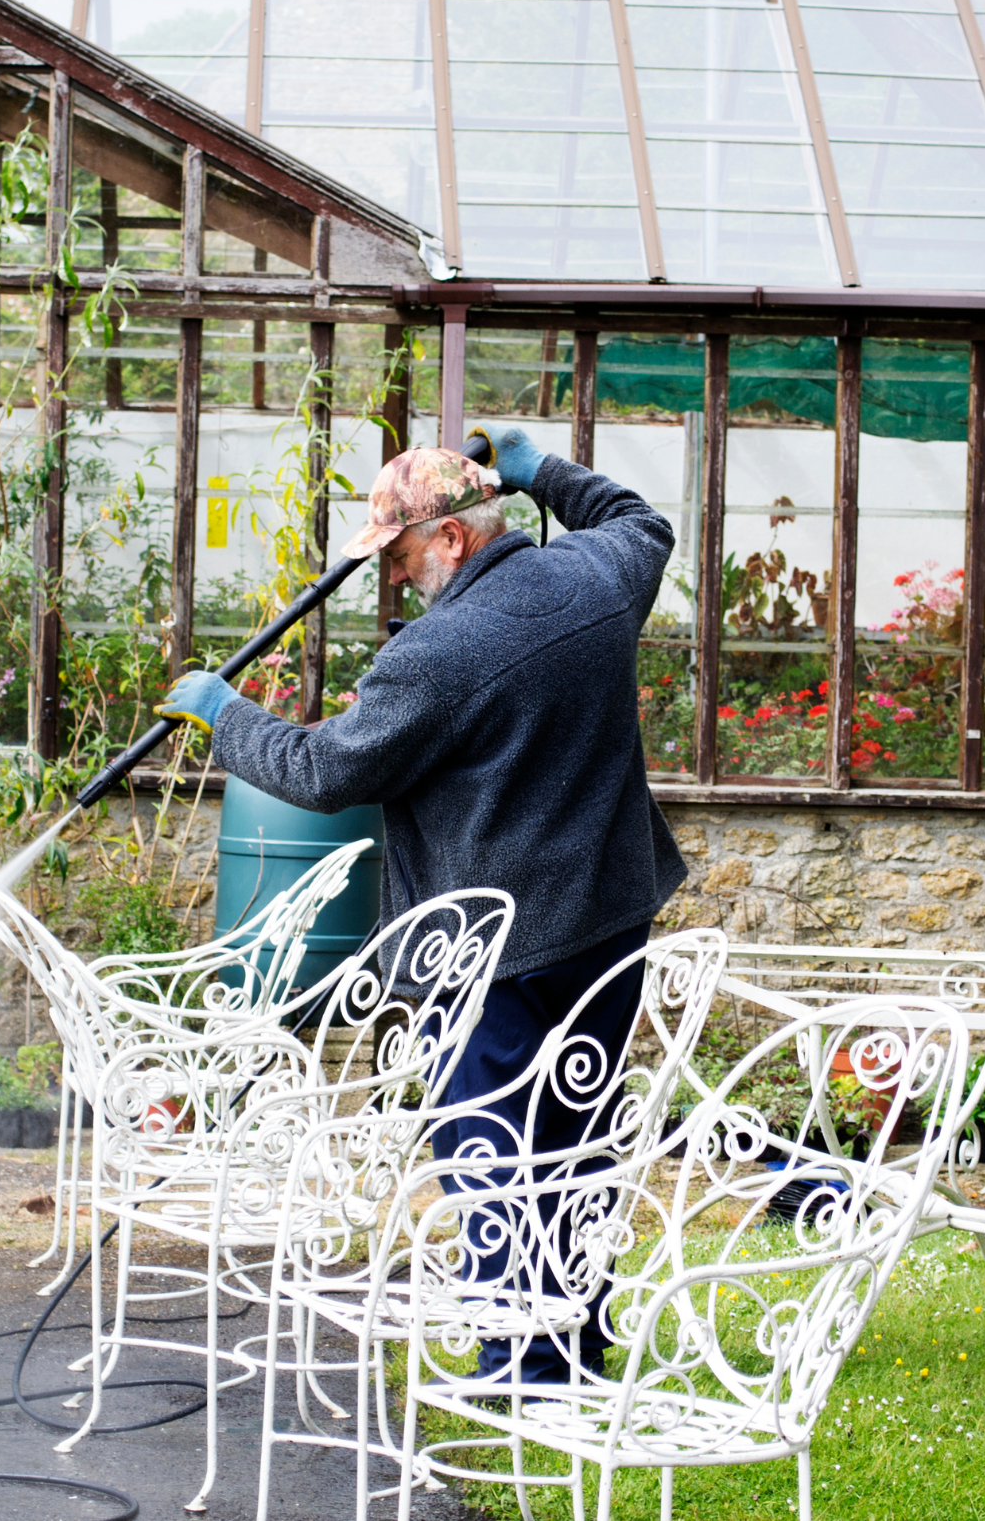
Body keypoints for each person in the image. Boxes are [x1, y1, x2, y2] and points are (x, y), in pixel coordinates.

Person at [153, 425, 685, 1384]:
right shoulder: (601, 578)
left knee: (487, 1140)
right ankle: (574, 1336)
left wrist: (226, 716)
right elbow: (638, 519)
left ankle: (521, 1361)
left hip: (497, 948)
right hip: (607, 921)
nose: (394, 578)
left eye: (398, 556)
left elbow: (322, 770)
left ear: (452, 539)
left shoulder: (436, 656)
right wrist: (541, 471)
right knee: (571, 1134)